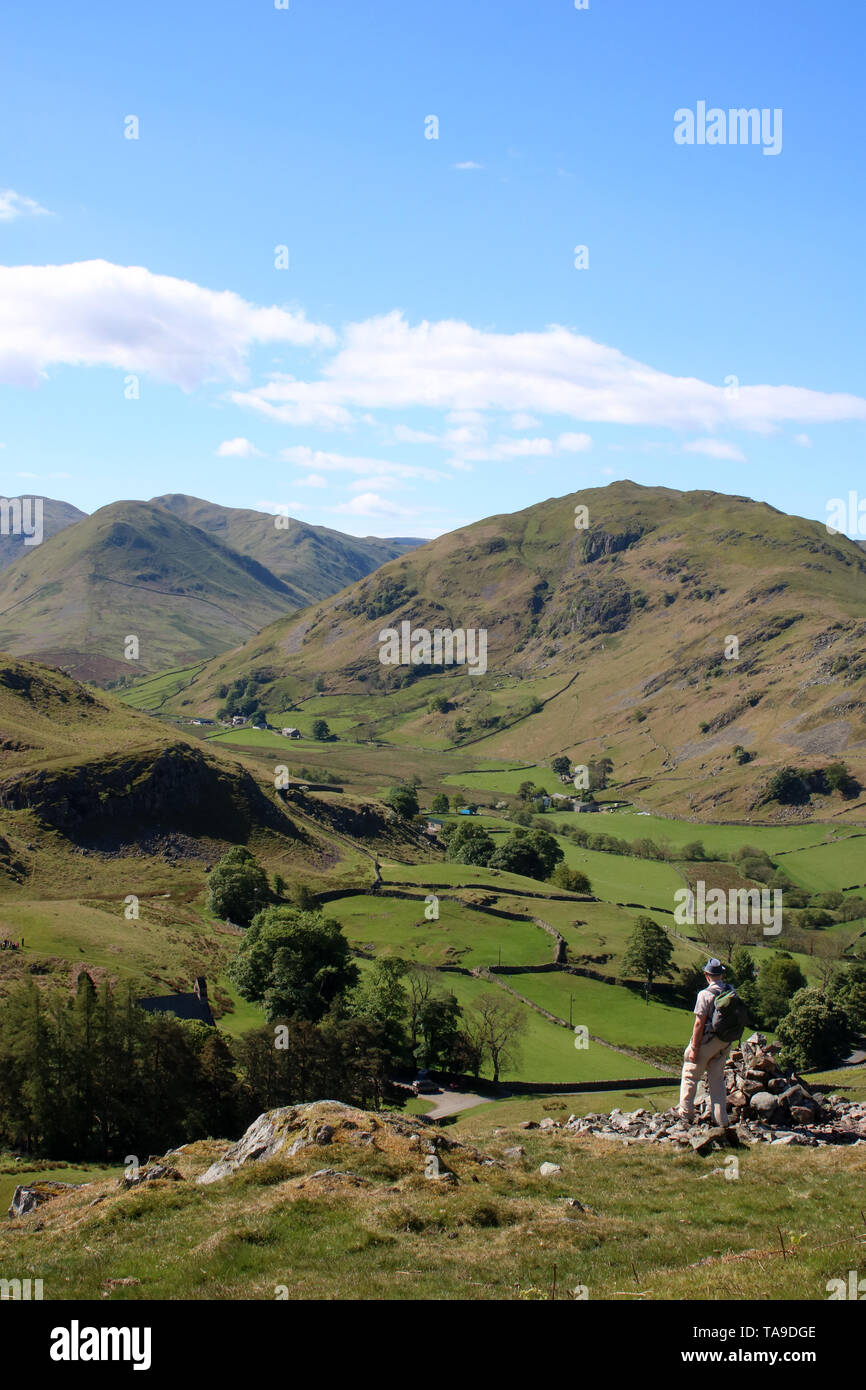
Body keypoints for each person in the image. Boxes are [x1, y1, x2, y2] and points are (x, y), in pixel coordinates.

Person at [678, 958, 731, 1127]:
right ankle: (721, 1121)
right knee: (716, 1080)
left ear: (707, 975)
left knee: (690, 1074)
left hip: (707, 1041)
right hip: (725, 1042)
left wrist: (694, 1047)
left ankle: (685, 1115)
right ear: (721, 974)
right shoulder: (731, 991)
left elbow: (699, 1023)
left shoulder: (704, 995)